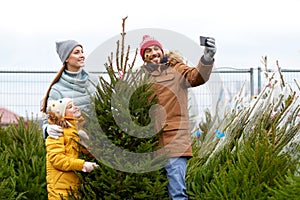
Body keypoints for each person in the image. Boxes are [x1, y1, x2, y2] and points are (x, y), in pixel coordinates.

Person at [139, 35, 216, 199]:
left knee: (177, 192)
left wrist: (207, 59)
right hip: (150, 144)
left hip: (174, 140)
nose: (153, 53)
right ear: (144, 57)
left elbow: (197, 76)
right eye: (148, 51)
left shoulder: (176, 69)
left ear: (162, 51)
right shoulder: (142, 78)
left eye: (156, 49)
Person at [40, 39, 99, 139]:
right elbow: (48, 120)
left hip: (97, 139)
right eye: (76, 52)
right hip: (73, 142)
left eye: (82, 52)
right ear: (66, 58)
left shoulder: (94, 81)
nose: (82, 56)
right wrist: (47, 129)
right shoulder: (57, 89)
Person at [45, 97, 98, 199]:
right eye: (70, 107)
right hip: (61, 189)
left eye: (74, 105)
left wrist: (88, 144)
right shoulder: (57, 132)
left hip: (76, 186)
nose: (75, 108)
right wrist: (83, 165)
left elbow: (86, 154)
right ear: (62, 114)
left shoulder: (77, 131)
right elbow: (57, 159)